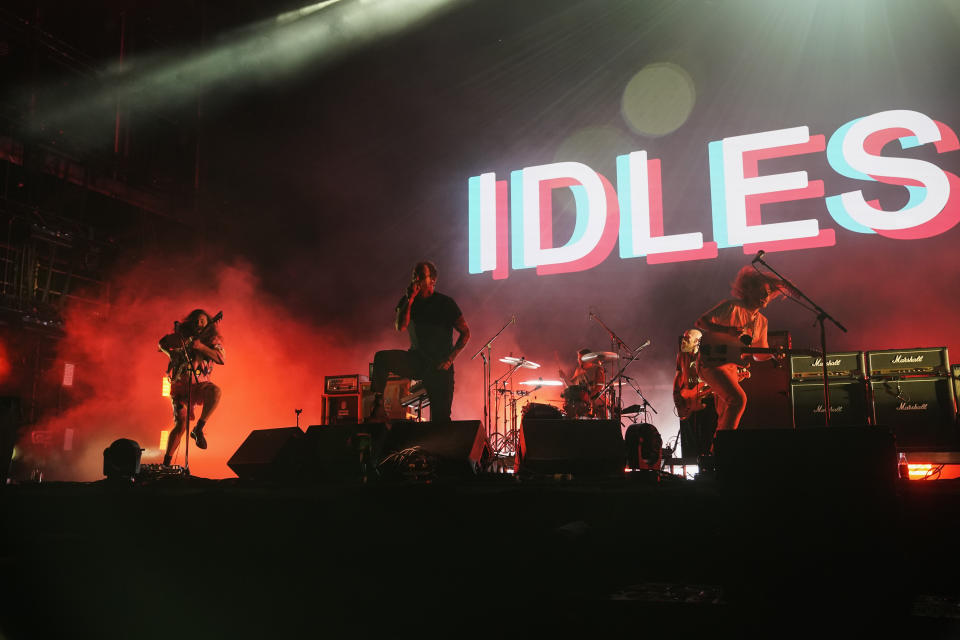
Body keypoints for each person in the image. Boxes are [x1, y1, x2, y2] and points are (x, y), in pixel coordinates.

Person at [368, 261, 470, 423]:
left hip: (439, 366)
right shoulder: (408, 300)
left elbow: (465, 332)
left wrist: (450, 359)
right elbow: (400, 326)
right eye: (414, 276)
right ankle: (378, 405)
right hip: (417, 360)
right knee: (381, 358)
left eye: (421, 276)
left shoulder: (445, 303)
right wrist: (410, 300)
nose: (416, 279)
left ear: (433, 280)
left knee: (440, 420)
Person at [695, 266, 785, 435]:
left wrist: (771, 354)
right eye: (762, 291)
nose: (766, 296)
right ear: (749, 289)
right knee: (738, 400)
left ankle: (718, 452)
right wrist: (726, 331)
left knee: (725, 414)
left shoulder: (762, 322)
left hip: (731, 368)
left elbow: (758, 355)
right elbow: (701, 323)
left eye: (769, 293)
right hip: (711, 363)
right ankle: (727, 446)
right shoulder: (731, 307)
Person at [159, 309, 224, 466]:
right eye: (196, 321)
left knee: (216, 391)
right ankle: (166, 464)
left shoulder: (212, 340)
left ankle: (198, 429)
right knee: (180, 425)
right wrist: (171, 354)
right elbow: (162, 343)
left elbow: (221, 358)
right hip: (181, 386)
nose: (198, 324)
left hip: (200, 384)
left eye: (202, 321)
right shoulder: (181, 337)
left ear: (208, 323)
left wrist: (201, 347)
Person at [673, 329, 719, 459]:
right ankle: (692, 465)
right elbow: (678, 376)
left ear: (697, 342)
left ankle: (708, 465)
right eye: (683, 337)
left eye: (687, 338)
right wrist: (677, 398)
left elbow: (714, 379)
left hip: (706, 401)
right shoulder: (681, 355)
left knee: (707, 436)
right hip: (687, 403)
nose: (683, 340)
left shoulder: (707, 356)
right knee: (690, 441)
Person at [558, 348, 606, 418]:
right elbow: (572, 387)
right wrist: (564, 378)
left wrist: (588, 398)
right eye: (579, 359)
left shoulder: (597, 369)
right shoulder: (578, 370)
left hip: (595, 401)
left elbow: (599, 387)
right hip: (582, 403)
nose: (579, 361)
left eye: (582, 359)